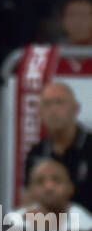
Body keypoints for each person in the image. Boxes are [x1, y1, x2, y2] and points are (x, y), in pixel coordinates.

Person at [23, 82, 92, 212]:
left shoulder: (89, 146)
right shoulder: (36, 152)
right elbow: (29, 198)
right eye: (47, 104)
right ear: (40, 112)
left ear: (76, 109)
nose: (53, 110)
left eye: (59, 102)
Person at [2, 157, 92, 231]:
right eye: (40, 181)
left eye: (56, 180)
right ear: (30, 189)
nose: (49, 187)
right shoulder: (13, 222)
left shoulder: (86, 225)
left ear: (70, 187)